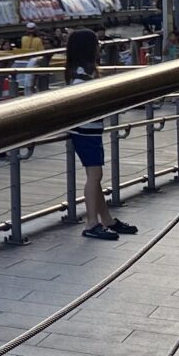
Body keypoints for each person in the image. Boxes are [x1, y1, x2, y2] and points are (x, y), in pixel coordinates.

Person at [66, 27, 133, 240]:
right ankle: (91, 223)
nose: (99, 48)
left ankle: (107, 220)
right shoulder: (81, 76)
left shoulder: (81, 71)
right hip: (86, 132)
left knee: (95, 177)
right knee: (95, 176)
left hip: (89, 131)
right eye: (97, 44)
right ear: (89, 48)